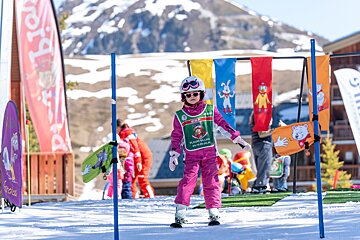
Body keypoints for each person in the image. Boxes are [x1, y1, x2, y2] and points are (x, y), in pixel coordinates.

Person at [168, 76, 251, 227]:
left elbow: (223, 126)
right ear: (183, 97)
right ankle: (180, 212)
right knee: (187, 183)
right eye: (188, 95)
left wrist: (238, 140)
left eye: (195, 93)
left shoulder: (210, 110)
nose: (192, 97)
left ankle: (214, 212)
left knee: (212, 183)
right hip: (191, 156)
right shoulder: (180, 116)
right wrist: (174, 154)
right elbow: (176, 136)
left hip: (210, 155)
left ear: (201, 94)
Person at [117, 119, 155, 198]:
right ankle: (133, 197)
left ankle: (150, 197)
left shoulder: (127, 132)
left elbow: (135, 147)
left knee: (142, 178)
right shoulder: (123, 133)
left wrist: (138, 161)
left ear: (118, 127)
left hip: (143, 157)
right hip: (135, 158)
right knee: (132, 179)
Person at [249, 111, 273, 194]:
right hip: (264, 145)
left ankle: (257, 185)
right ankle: (261, 186)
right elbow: (261, 134)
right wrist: (274, 130)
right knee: (265, 167)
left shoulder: (254, 116)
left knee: (260, 168)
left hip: (256, 144)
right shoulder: (261, 116)